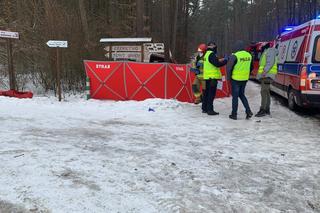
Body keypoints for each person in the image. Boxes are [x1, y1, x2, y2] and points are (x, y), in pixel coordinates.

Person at [227, 40, 253, 120]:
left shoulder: (235, 55)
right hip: (244, 79)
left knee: (235, 97)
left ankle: (234, 114)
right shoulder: (249, 55)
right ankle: (248, 111)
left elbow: (229, 68)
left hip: (236, 79)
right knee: (242, 95)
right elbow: (251, 67)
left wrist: (229, 78)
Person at [202, 41, 228, 115]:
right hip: (212, 78)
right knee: (211, 94)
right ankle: (210, 110)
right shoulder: (212, 54)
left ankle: (204, 108)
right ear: (213, 47)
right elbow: (217, 64)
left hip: (207, 77)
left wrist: (221, 59)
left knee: (206, 94)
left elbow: (212, 62)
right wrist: (225, 61)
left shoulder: (206, 54)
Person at [255, 42, 278, 117]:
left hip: (267, 75)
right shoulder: (270, 51)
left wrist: (264, 71)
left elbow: (270, 63)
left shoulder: (270, 51)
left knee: (263, 92)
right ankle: (267, 109)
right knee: (266, 92)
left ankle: (263, 110)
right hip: (268, 75)